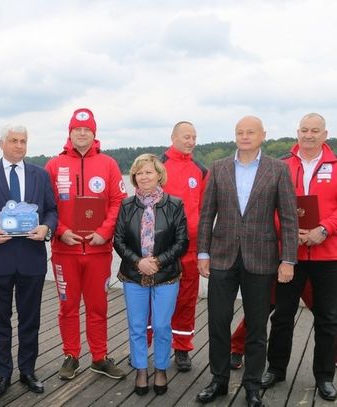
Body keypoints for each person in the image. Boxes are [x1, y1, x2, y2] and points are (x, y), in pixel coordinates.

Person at [196, 116, 298, 407]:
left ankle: (252, 385)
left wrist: (288, 259)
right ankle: (218, 380)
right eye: (240, 132)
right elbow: (207, 214)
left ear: (262, 135)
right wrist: (203, 253)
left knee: (256, 326)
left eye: (250, 132)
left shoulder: (278, 169)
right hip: (222, 257)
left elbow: (289, 219)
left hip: (262, 258)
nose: (244, 136)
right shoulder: (218, 168)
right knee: (217, 322)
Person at [0, 125, 57, 399]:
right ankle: (3, 373)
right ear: (1, 144)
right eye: (14, 141)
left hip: (31, 259)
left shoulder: (40, 175)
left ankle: (27, 371)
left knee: (31, 320)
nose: (19, 146)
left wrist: (46, 228)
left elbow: (52, 209)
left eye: (23, 141)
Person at [45, 108, 127, 381]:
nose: (82, 134)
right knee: (67, 306)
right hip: (64, 250)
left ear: (94, 134)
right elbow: (47, 206)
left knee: (98, 306)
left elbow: (118, 202)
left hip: (98, 250)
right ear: (69, 133)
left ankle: (99, 357)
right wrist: (60, 231)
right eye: (77, 129)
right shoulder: (55, 166)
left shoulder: (108, 164)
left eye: (87, 130)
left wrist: (105, 232)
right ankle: (71, 355)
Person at [260, 113, 337, 401]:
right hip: (289, 255)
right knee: (282, 315)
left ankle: (325, 376)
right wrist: (290, 233)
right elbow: (271, 207)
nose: (308, 135)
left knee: (328, 318)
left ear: (324, 134)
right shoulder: (281, 166)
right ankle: (276, 368)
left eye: (314, 131)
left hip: (328, 254)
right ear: (297, 132)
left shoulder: (336, 166)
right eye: (304, 130)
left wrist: (323, 229)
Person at [114, 153, 188, 396]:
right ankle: (141, 369)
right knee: (137, 325)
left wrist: (157, 261)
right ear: (134, 177)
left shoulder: (175, 204)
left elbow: (182, 241)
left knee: (161, 325)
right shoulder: (126, 205)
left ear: (159, 175)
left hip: (165, 274)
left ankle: (161, 368)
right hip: (134, 275)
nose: (143, 176)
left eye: (148, 172)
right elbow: (119, 241)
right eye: (139, 172)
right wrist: (138, 262)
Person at [160, 121, 207, 372]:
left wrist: (204, 248)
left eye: (194, 137)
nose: (190, 141)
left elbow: (207, 210)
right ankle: (148, 344)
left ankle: (182, 349)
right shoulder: (157, 165)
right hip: (161, 249)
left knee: (186, 300)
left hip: (190, 248)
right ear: (173, 137)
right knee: (155, 299)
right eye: (186, 136)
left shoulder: (200, 170)